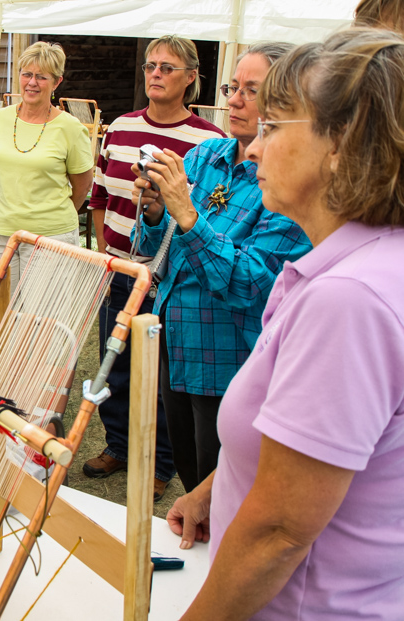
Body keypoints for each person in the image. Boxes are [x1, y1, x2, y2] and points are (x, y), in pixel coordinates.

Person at [168, 28, 404, 619]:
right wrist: (217, 487)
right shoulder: (366, 263)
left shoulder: (348, 298)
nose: (252, 149)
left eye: (274, 126)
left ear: (342, 144)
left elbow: (279, 533)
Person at [131, 42, 312, 494]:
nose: (233, 100)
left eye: (252, 91)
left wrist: (187, 214)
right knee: (191, 477)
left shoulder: (288, 182)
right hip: (176, 341)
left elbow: (251, 282)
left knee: (227, 490)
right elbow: (158, 252)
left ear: (288, 102)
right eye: (233, 87)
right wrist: (154, 213)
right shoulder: (205, 156)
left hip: (231, 356)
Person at [83, 35, 226, 502]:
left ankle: (162, 462)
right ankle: (119, 446)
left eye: (168, 67)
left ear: (191, 77)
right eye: (151, 65)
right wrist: (109, 249)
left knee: (165, 376)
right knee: (115, 365)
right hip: (121, 269)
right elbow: (100, 195)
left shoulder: (210, 141)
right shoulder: (121, 126)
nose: (156, 73)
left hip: (172, 280)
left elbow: (206, 217)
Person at [0, 41, 94, 290]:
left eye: (41, 77)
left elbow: (82, 186)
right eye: (27, 74)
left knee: (40, 321)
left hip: (49, 239)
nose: (32, 82)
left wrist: (47, 215)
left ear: (57, 82)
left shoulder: (71, 128)